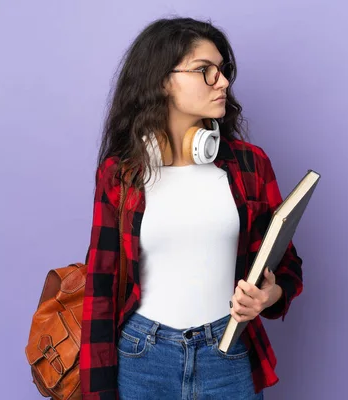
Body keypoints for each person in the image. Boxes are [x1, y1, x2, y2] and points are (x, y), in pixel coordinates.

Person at [80, 17, 303, 400]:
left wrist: (271, 294)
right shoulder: (121, 175)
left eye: (223, 71)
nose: (223, 82)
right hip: (141, 356)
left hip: (228, 352)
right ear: (162, 80)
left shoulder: (250, 166)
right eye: (205, 71)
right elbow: (101, 286)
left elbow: (287, 263)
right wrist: (98, 392)